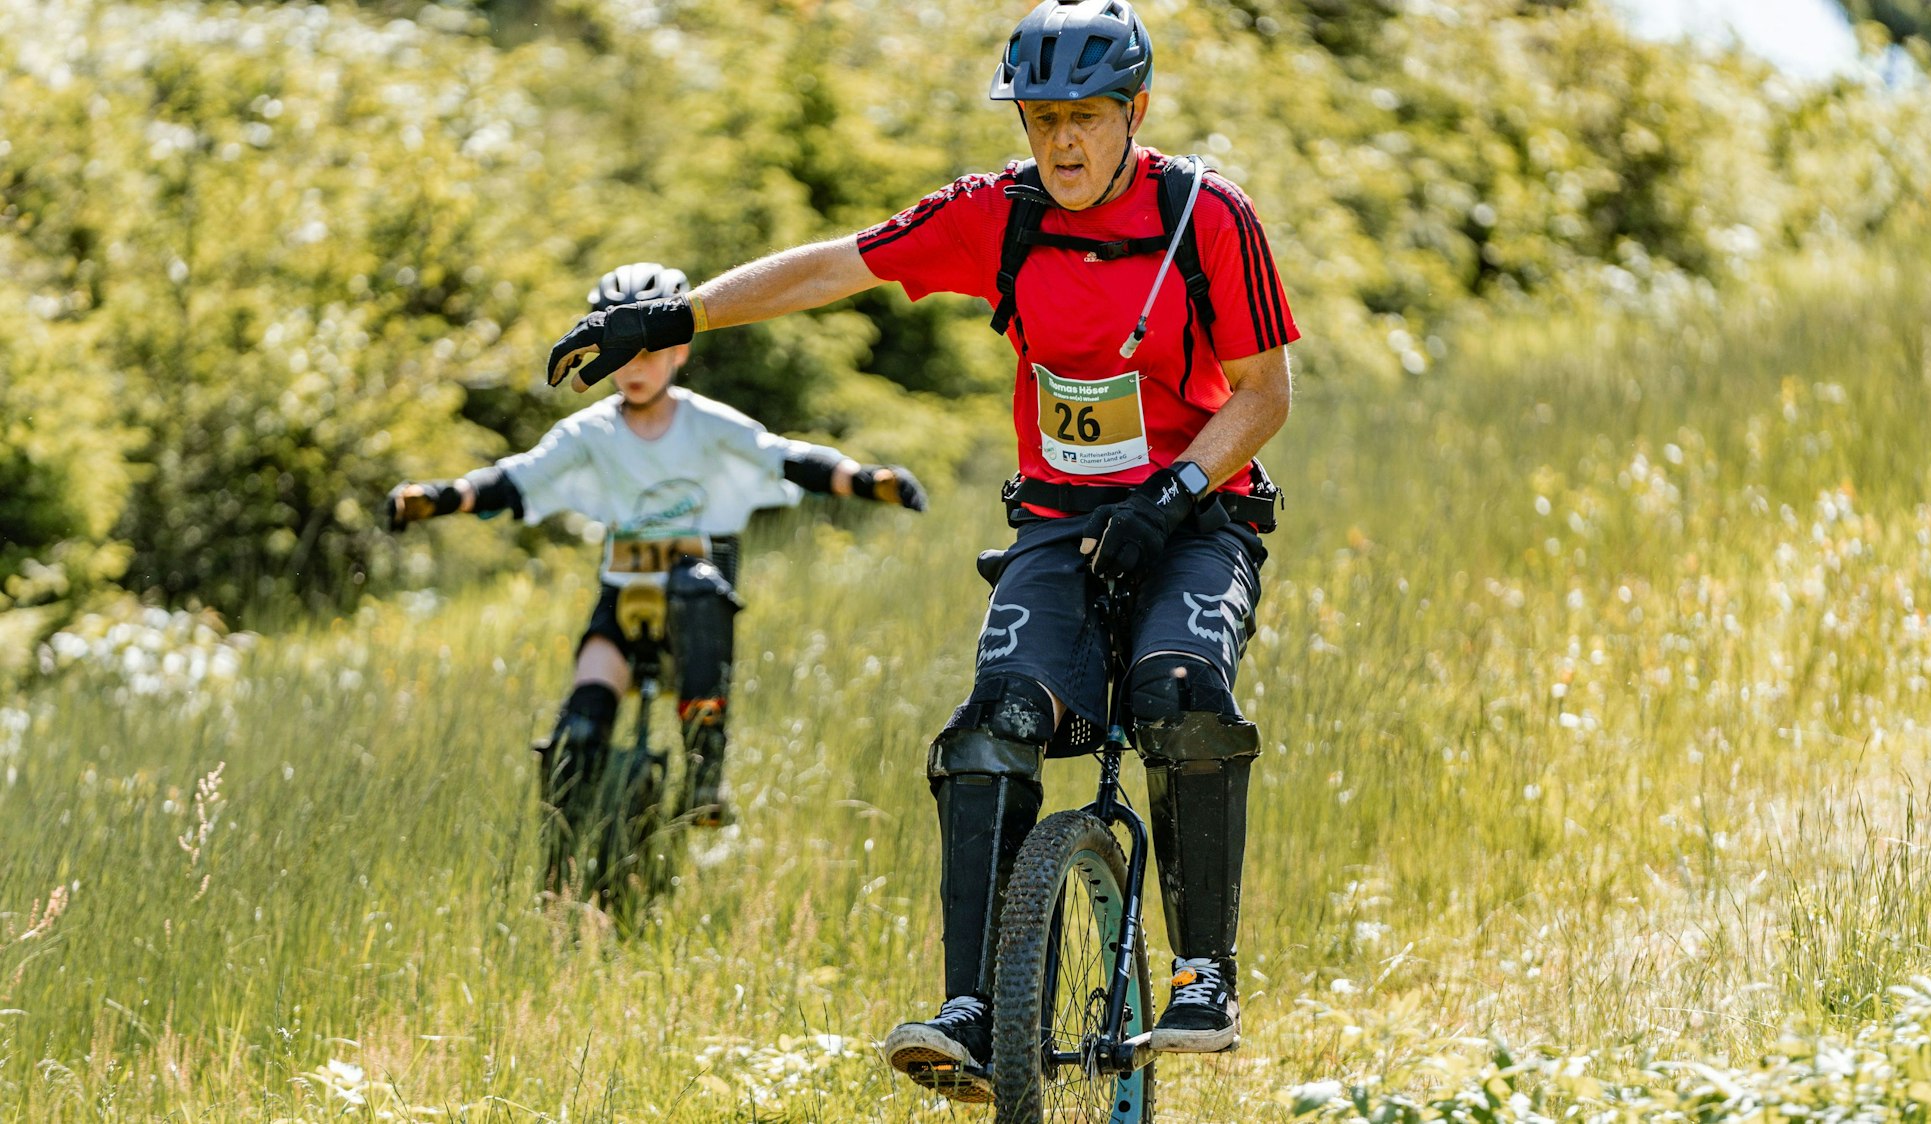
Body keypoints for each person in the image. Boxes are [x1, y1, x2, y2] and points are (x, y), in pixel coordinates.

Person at [543, 0, 1296, 1100]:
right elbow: (837, 268)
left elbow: (1268, 394)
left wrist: (1177, 487)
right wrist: (676, 318)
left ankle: (1201, 969)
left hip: (1197, 515)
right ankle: (977, 1012)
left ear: (1136, 110)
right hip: (1057, 522)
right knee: (990, 726)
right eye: (1041, 119)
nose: (1062, 142)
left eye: (1086, 116)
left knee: (1177, 687)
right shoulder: (1001, 212)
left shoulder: (1206, 218)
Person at [391, 261, 928, 833]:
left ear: (680, 353)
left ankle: (704, 776)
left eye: (650, 351)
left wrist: (866, 480)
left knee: (696, 591)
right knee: (579, 728)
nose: (634, 367)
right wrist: (440, 497)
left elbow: (785, 457)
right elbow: (518, 477)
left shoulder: (705, 423)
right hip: (623, 598)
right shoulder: (590, 432)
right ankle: (567, 850)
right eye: (623, 353)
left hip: (696, 594)